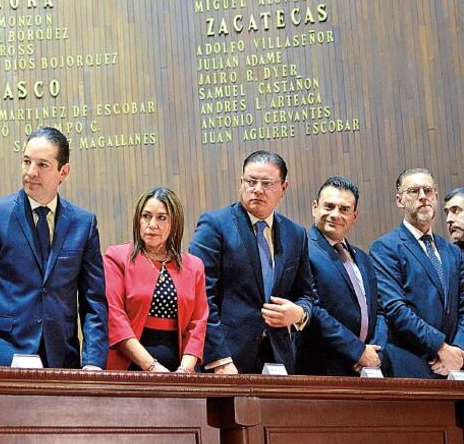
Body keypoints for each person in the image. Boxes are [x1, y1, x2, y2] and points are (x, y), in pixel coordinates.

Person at [0, 127, 108, 369]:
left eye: (42, 165)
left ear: (64, 171)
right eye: (26, 161)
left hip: (61, 359)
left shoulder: (84, 223)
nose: (30, 172)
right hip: (1, 356)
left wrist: (93, 363)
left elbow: (94, 301)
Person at [189, 150, 314, 374]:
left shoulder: (296, 234)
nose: (257, 189)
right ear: (241, 182)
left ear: (283, 188)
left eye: (266, 183)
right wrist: (219, 358)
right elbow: (200, 296)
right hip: (226, 359)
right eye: (251, 181)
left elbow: (306, 294)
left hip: (277, 357)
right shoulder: (215, 225)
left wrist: (299, 314)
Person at [371, 168, 464, 378]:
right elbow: (396, 309)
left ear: (436, 197)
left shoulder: (453, 251)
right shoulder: (386, 247)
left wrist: (457, 350)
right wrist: (441, 348)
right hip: (409, 364)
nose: (423, 197)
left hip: (454, 367)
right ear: (399, 200)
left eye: (428, 191)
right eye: (414, 191)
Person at [103, 187, 208, 372]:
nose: (152, 224)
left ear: (174, 223)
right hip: (130, 365)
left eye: (161, 218)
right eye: (146, 216)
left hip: (179, 369)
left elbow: (198, 324)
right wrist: (152, 367)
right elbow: (115, 317)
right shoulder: (117, 257)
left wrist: (184, 371)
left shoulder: (194, 266)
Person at [299, 177, 387, 376]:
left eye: (344, 209)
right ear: (315, 207)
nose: (335, 215)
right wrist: (357, 351)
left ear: (354, 215)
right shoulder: (301, 249)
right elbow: (314, 309)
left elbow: (380, 310)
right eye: (329, 206)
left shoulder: (364, 259)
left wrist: (374, 351)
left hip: (368, 367)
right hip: (322, 370)